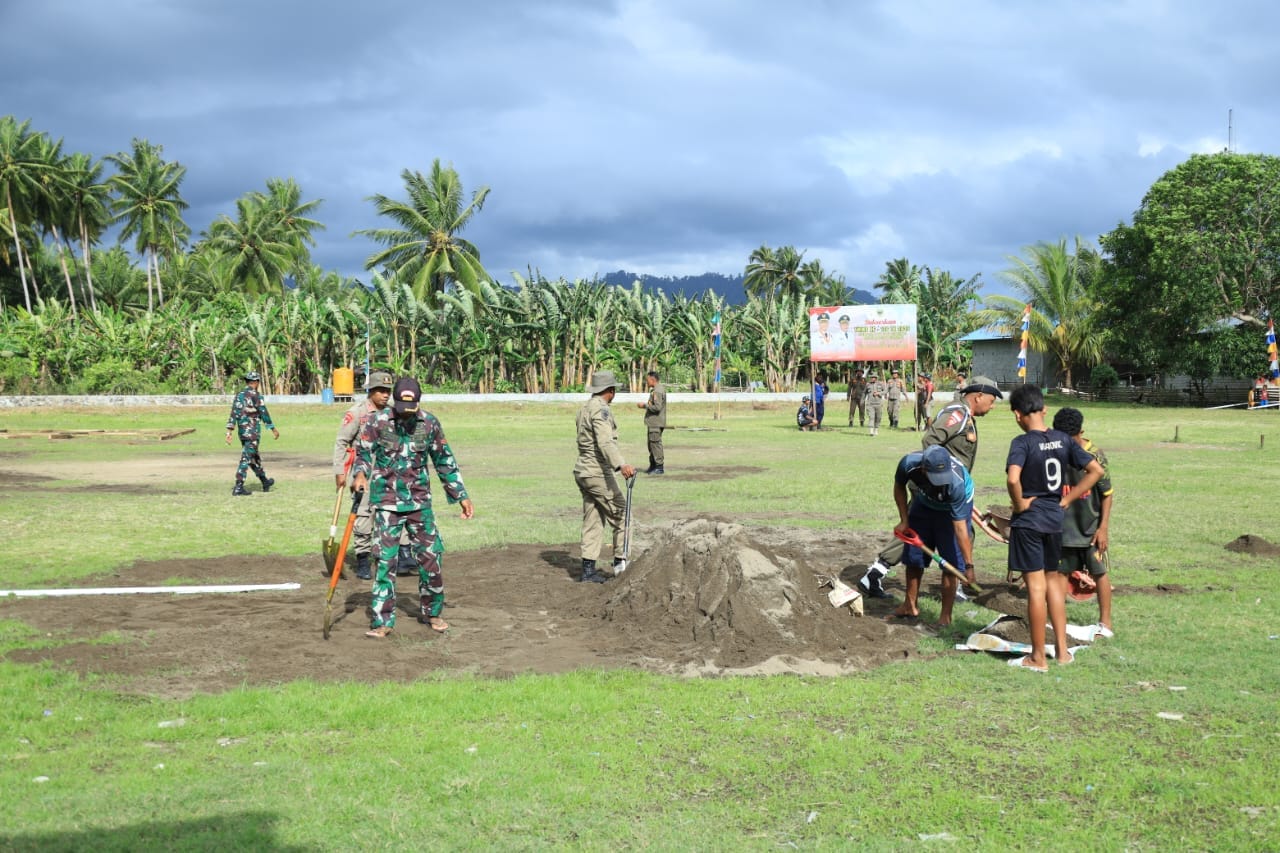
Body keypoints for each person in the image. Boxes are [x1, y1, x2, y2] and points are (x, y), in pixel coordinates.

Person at [860, 376, 1004, 598]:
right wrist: (938, 480)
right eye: (991, 401)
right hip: (936, 486)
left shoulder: (964, 415)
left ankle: (876, 574)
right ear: (978, 396)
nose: (992, 406)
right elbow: (930, 441)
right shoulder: (957, 414)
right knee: (949, 531)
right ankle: (955, 585)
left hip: (948, 487)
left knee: (924, 529)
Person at [352, 377, 474, 638]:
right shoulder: (377, 422)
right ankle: (383, 621)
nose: (406, 414)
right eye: (402, 408)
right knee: (385, 563)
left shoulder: (429, 423)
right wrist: (360, 474)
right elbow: (362, 453)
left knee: (431, 559)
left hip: (420, 502)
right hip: (386, 503)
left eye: (412, 408)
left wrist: (460, 495)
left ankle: (433, 613)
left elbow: (444, 460)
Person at [1005, 385, 1105, 671]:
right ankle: (1062, 652)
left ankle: (1037, 658)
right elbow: (1096, 471)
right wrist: (1067, 500)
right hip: (1054, 520)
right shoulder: (1062, 439)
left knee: (1036, 588)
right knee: (1052, 584)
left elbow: (1013, 479)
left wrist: (1019, 504)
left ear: (1017, 414)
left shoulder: (1021, 443)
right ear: (1044, 409)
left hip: (1030, 521)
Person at [888, 444, 975, 627]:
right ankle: (910, 606)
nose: (940, 481)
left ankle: (945, 617)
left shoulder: (957, 484)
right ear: (923, 469)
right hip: (924, 504)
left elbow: (960, 529)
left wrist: (969, 566)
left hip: (952, 511)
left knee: (951, 563)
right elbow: (899, 487)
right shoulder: (908, 464)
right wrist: (904, 520)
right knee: (914, 557)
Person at [1053, 407, 1115, 638]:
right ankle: (1056, 621)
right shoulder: (1053, 453)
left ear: (1081, 432)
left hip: (1089, 529)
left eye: (1071, 439)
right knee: (1061, 572)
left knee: (1099, 572)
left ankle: (1105, 623)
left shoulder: (1095, 456)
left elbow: (1107, 494)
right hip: (1063, 528)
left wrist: (1103, 528)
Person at [574, 370, 637, 582]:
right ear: (610, 391)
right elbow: (604, 442)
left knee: (593, 518)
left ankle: (588, 570)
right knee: (622, 514)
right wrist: (621, 464)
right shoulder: (601, 410)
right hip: (596, 471)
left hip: (583, 470)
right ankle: (621, 566)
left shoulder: (585, 408)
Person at [333, 370, 394, 580]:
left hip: (388, 471)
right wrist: (339, 471)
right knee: (363, 515)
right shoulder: (357, 412)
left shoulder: (393, 412)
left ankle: (398, 556)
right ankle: (362, 559)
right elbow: (342, 441)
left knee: (391, 511)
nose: (385, 395)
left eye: (388, 391)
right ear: (371, 391)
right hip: (364, 471)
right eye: (381, 391)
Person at [224, 370, 279, 496]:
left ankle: (264, 481)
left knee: (253, 457)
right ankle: (239, 486)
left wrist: (229, 432)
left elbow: (233, 414)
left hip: (242, 432)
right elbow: (263, 412)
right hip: (252, 432)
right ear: (256, 382)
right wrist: (272, 428)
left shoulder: (239, 395)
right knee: (246, 458)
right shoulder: (256, 395)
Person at [637, 370, 667, 475]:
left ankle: (659, 467)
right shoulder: (656, 389)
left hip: (656, 423)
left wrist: (644, 406)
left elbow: (657, 407)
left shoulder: (658, 391)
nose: (647, 382)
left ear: (652, 379)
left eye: (648, 380)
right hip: (653, 422)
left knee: (655, 444)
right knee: (651, 445)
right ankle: (653, 465)